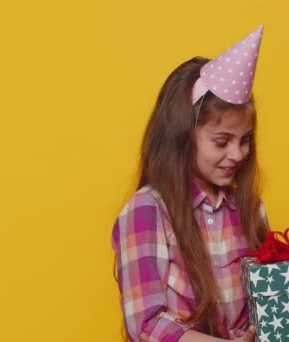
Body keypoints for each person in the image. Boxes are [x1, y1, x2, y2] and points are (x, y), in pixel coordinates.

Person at [112, 26, 269, 342]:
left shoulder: (251, 209)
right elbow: (146, 325)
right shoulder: (148, 210)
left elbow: (261, 307)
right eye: (222, 141)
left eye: (245, 140)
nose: (237, 154)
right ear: (183, 135)